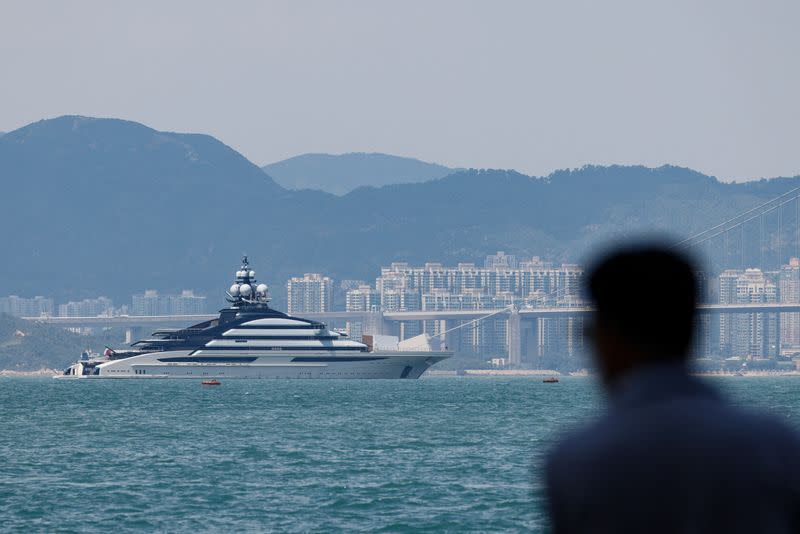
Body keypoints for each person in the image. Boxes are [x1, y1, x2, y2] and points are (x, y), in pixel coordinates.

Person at [545, 244, 800, 533]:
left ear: (607, 338)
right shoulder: (778, 446)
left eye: (589, 333)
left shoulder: (574, 460)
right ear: (693, 327)